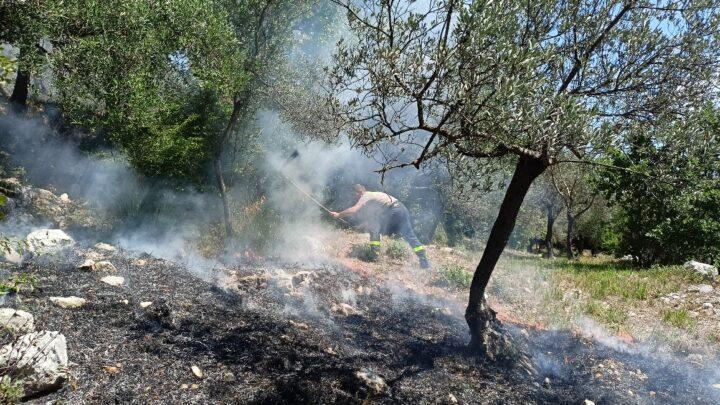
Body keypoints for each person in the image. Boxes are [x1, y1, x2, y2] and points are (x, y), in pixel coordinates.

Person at [330, 184, 430, 269]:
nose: (355, 198)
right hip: (402, 209)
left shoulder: (366, 195)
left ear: (358, 192)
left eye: (355, 195)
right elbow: (374, 219)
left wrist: (338, 215)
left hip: (394, 211)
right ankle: (424, 260)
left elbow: (354, 210)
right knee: (409, 235)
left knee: (374, 228)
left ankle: (374, 255)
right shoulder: (376, 196)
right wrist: (360, 227)